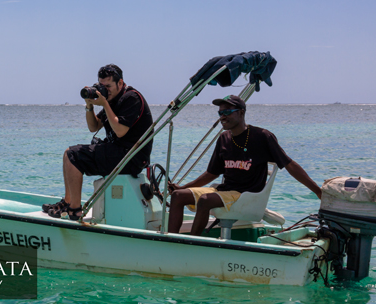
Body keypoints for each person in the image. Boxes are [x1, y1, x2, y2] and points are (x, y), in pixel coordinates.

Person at [167, 95, 321, 235]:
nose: (223, 116)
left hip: (246, 195)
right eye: (220, 113)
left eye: (227, 112)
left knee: (205, 200)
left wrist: (317, 191)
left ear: (241, 113)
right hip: (225, 191)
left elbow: (289, 165)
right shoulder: (224, 138)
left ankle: (193, 243)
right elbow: (211, 174)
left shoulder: (262, 136)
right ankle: (171, 242)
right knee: (178, 196)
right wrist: (183, 187)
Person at [43, 64, 153, 220]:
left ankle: (74, 210)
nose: (105, 90)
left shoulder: (131, 98)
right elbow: (93, 126)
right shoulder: (113, 99)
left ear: (120, 83)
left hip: (131, 157)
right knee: (69, 153)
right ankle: (68, 202)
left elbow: (121, 131)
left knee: (72, 155)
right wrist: (89, 106)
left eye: (108, 86)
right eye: (102, 86)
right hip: (120, 152)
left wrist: (105, 104)